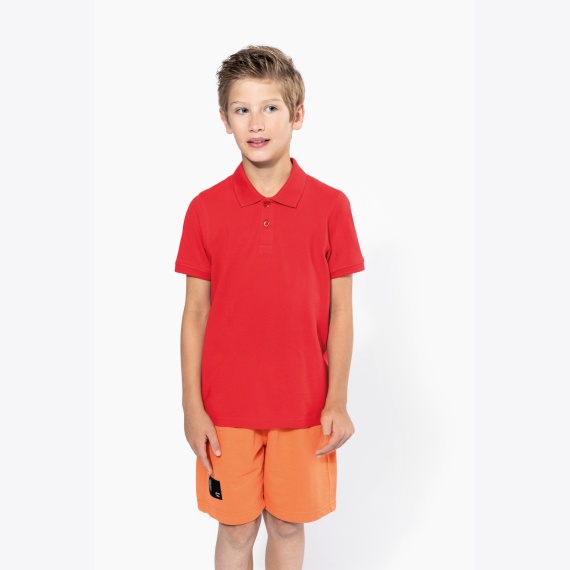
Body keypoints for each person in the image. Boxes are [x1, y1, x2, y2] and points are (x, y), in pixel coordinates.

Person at [174, 45, 365, 570]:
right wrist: (192, 406)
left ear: (297, 115)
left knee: (286, 524)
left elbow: (342, 313)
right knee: (235, 528)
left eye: (270, 108)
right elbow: (195, 313)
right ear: (224, 119)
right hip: (225, 410)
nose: (256, 123)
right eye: (242, 109)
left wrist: (337, 399)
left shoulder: (331, 206)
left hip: (304, 407)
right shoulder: (204, 208)